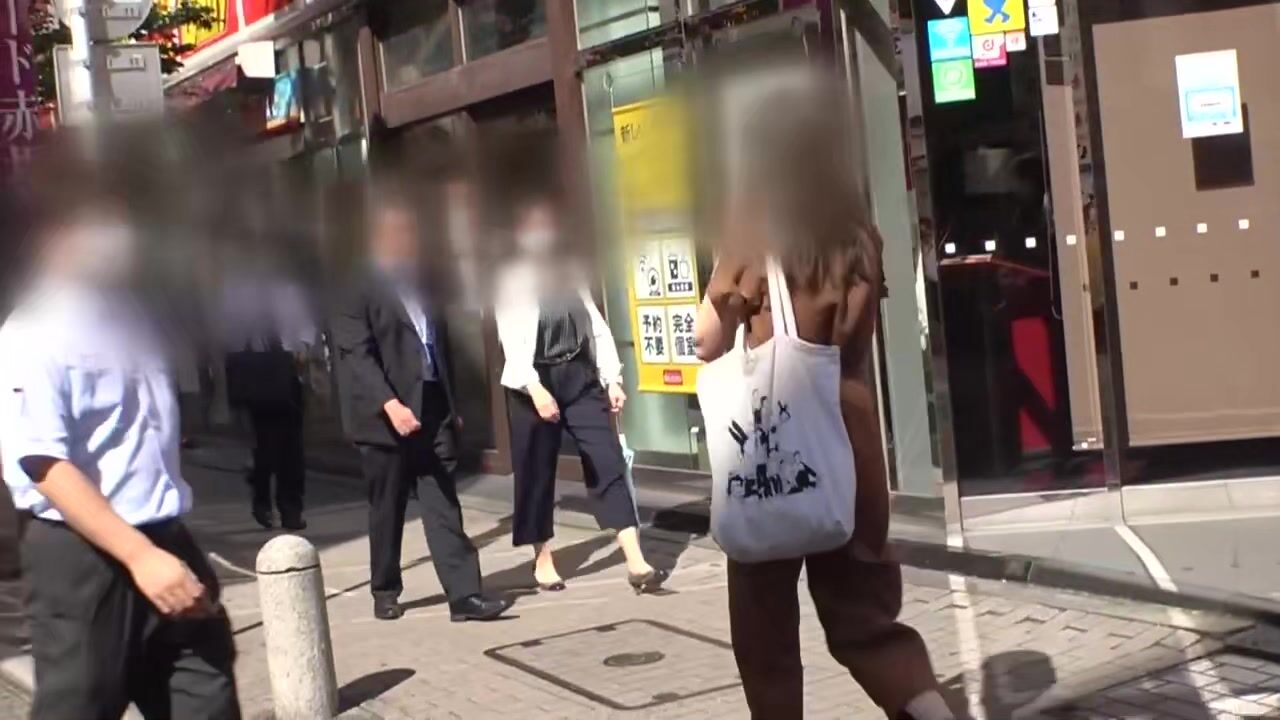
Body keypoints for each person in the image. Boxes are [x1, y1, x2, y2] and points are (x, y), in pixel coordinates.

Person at [692, 72, 954, 720]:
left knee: (766, 633)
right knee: (865, 615)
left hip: (774, 438)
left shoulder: (752, 232)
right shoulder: (858, 233)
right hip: (851, 436)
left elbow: (705, 341)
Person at [0, 200, 240, 720]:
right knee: (81, 703)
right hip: (82, 556)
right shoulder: (32, 332)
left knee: (206, 688)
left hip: (165, 535)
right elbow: (42, 462)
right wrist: (138, 556)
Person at [331, 188, 509, 622]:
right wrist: (390, 404)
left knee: (442, 499)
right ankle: (385, 588)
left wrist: (451, 402)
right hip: (383, 415)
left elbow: (439, 345)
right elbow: (357, 354)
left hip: (431, 405)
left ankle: (464, 595)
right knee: (387, 505)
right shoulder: (354, 286)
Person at [495, 196, 667, 594]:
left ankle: (635, 559)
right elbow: (510, 338)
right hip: (534, 381)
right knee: (536, 473)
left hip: (578, 374)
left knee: (607, 459)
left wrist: (612, 378)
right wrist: (534, 388)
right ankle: (542, 557)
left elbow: (594, 324)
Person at [219, 250, 315, 531]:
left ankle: (291, 509)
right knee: (264, 447)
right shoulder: (236, 292)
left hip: (286, 375)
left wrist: (302, 352)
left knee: (292, 448)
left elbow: (305, 328)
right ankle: (261, 502)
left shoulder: (289, 291)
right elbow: (227, 333)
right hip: (255, 377)